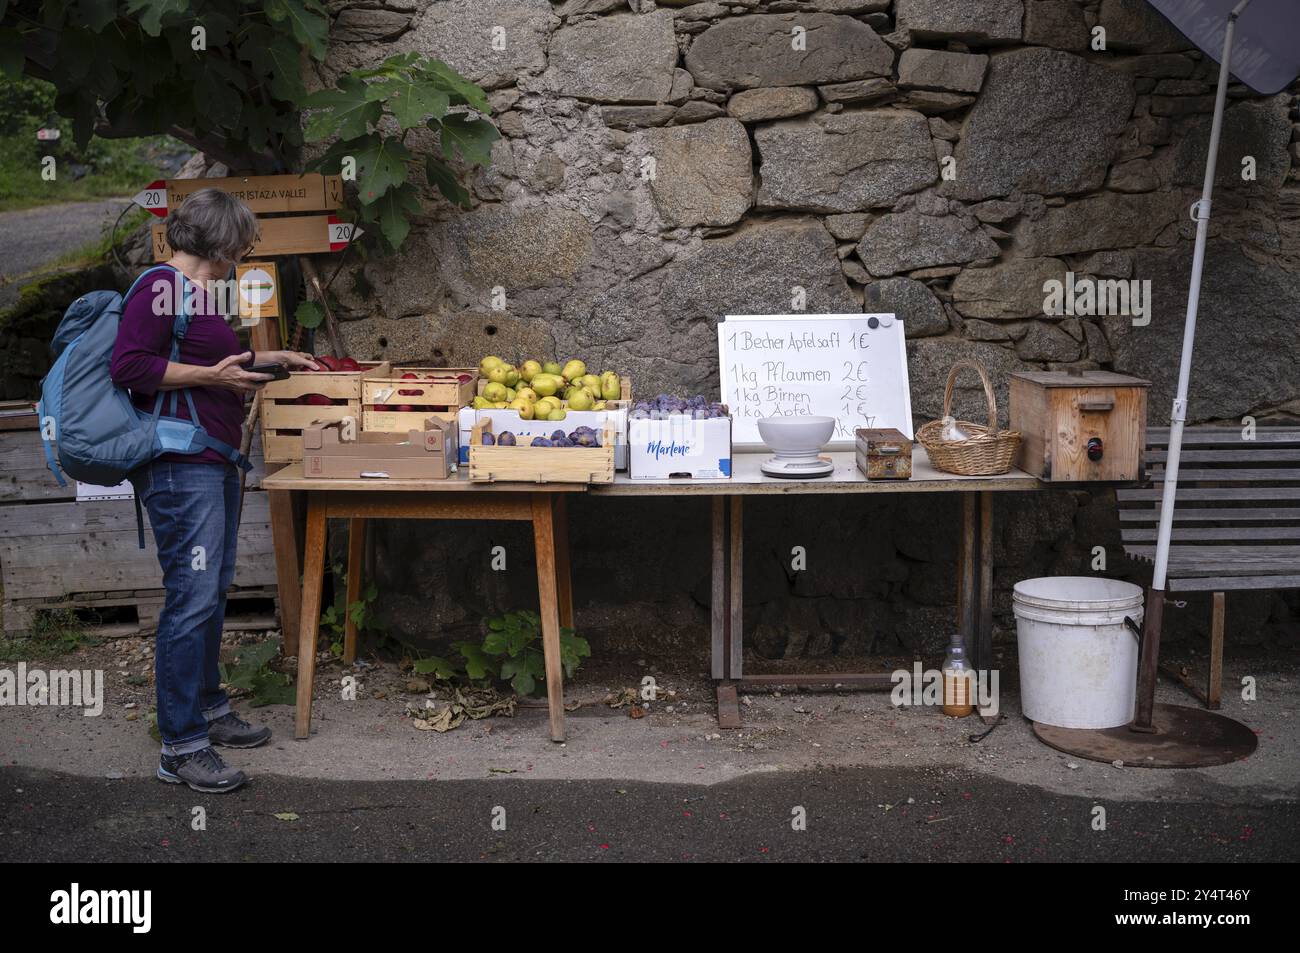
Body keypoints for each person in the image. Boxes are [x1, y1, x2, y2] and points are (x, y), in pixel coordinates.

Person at [110, 188, 317, 793]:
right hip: (180, 461)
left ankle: (209, 708)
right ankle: (180, 746)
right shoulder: (159, 287)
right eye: (242, 244)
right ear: (223, 244)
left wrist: (263, 357)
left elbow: (208, 364)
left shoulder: (194, 296)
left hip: (214, 458)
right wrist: (213, 373)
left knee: (211, 589)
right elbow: (129, 368)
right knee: (192, 595)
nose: (243, 254)